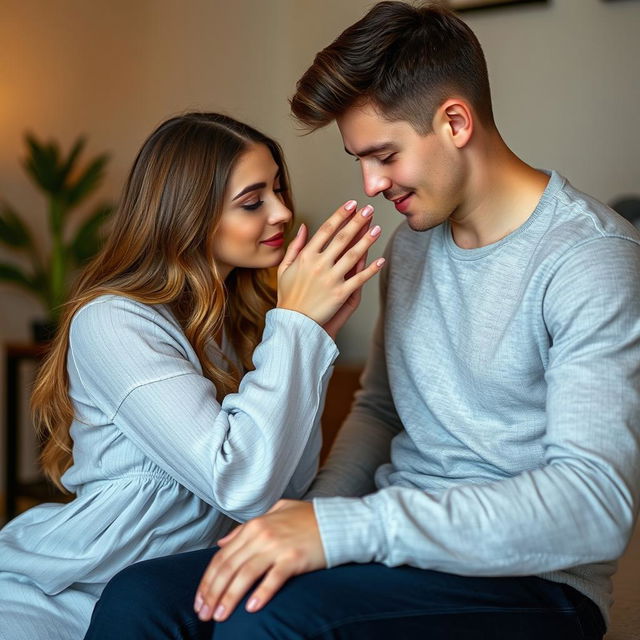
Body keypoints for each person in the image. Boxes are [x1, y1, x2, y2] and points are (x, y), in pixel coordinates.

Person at [83, 3, 640, 639]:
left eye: (384, 155)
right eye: (359, 159)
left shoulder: (590, 258)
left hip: (529, 580)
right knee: (141, 597)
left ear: (455, 121)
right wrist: (300, 523)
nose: (371, 183)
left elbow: (594, 505)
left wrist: (337, 530)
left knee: (262, 624)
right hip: (390, 546)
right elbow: (380, 410)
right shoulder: (413, 245)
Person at [0, 112, 384, 640]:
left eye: (278, 189)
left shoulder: (245, 323)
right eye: (253, 202)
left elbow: (282, 489)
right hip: (67, 592)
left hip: (179, 595)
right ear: (186, 215)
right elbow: (239, 482)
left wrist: (312, 342)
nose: (282, 212)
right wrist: (299, 330)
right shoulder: (113, 322)